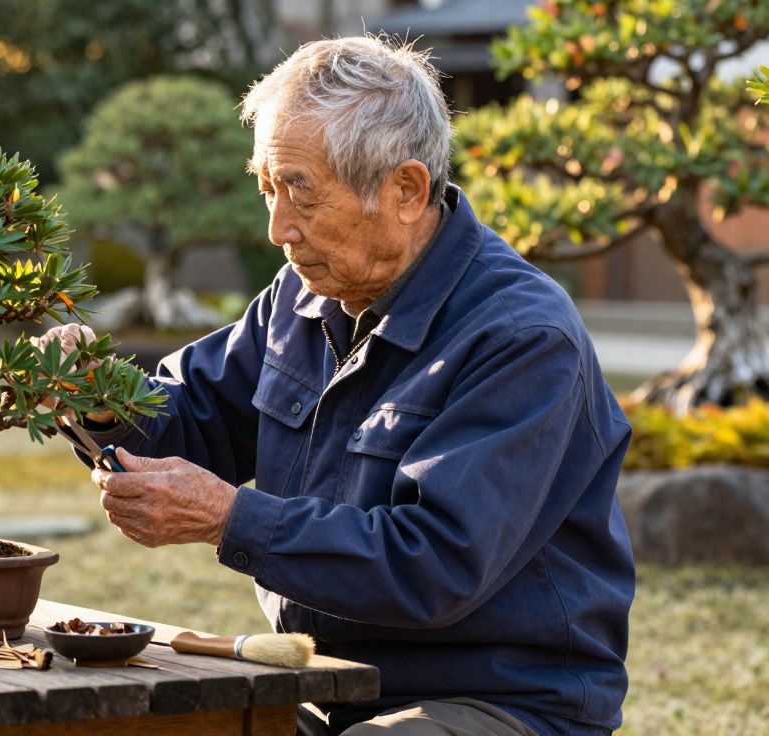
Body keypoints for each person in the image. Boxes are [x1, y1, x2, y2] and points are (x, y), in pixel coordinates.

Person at [42, 36, 633, 736]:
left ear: (406, 190)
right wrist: (99, 397)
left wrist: (231, 519)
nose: (276, 228)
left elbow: (435, 562)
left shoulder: (523, 338)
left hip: (501, 701)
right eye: (266, 186)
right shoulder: (301, 297)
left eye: (300, 192)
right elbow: (193, 423)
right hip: (326, 686)